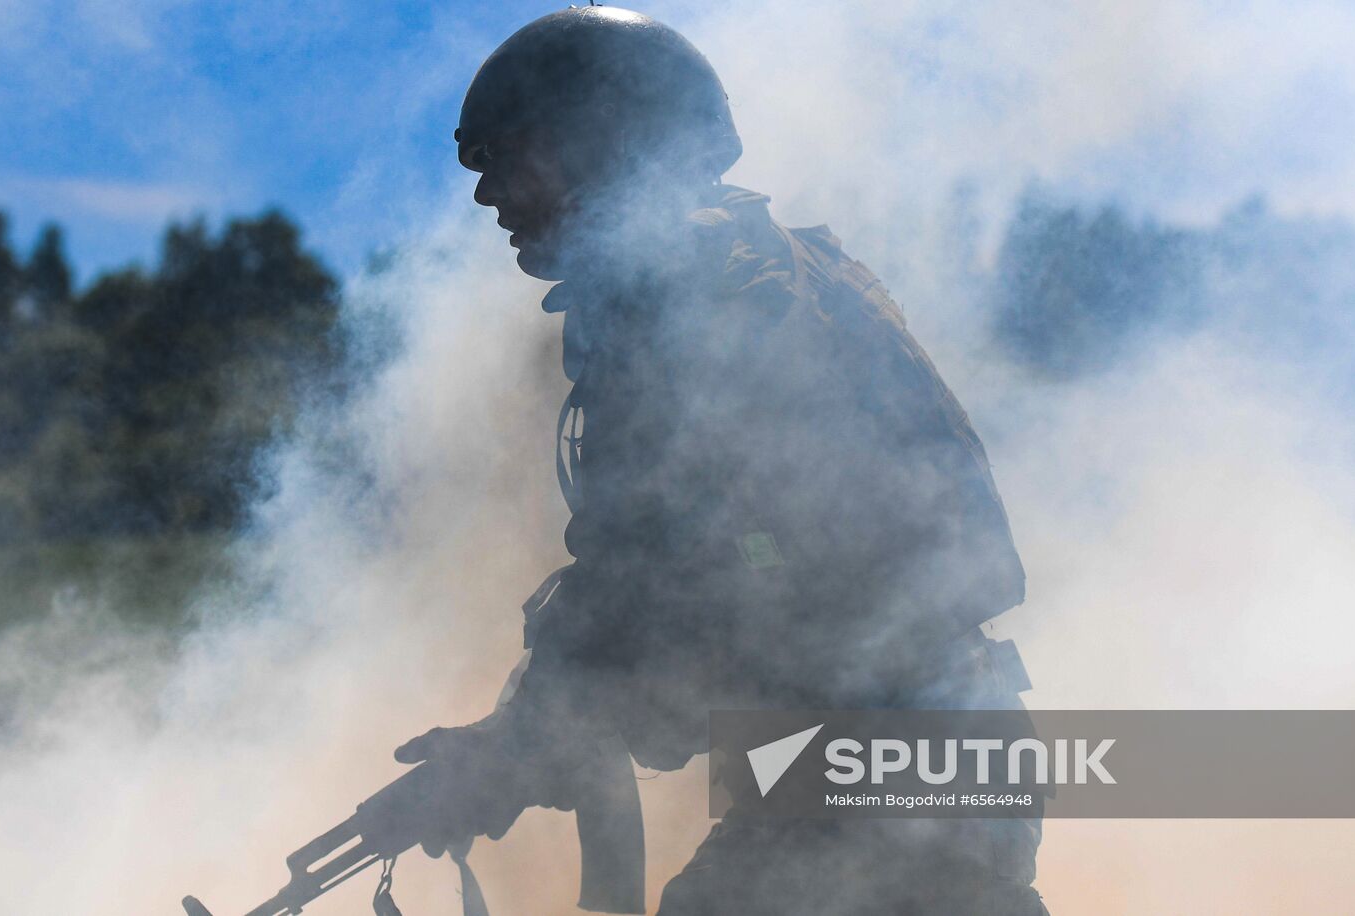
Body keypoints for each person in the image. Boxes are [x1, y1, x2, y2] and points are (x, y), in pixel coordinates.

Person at [394, 7, 1046, 913]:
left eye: (510, 155)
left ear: (598, 139)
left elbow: (644, 572)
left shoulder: (674, 283)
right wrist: (524, 739)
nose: (488, 196)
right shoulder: (773, 264)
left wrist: (511, 750)